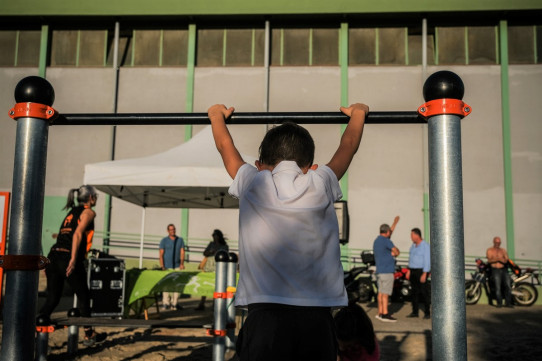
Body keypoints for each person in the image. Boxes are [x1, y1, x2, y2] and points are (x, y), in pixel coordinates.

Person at [208, 102, 369, 361]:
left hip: (265, 317)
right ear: (311, 166)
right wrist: (358, 114)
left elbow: (225, 148)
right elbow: (348, 146)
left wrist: (217, 116)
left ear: (259, 164)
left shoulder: (253, 181)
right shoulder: (320, 180)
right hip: (317, 318)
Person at [38, 185, 106, 346]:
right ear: (90, 198)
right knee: (84, 297)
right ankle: (89, 334)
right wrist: (74, 259)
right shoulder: (89, 212)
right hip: (68, 257)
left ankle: (39, 323)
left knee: (53, 298)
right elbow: (77, 234)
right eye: (95, 196)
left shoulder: (72, 211)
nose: (96, 199)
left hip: (53, 256)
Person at [372, 217, 400, 322]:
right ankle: (385, 314)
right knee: (385, 294)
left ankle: (379, 312)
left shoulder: (377, 241)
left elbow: (389, 232)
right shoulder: (387, 241)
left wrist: (394, 223)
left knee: (380, 293)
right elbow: (396, 252)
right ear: (387, 232)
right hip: (387, 271)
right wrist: (394, 252)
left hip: (379, 271)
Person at [195, 229, 229, 310]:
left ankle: (215, 305)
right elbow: (204, 253)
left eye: (215, 236)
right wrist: (210, 251)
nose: (214, 237)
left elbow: (226, 255)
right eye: (213, 236)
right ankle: (202, 303)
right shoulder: (211, 244)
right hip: (208, 267)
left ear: (218, 236)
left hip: (218, 268)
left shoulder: (224, 246)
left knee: (216, 286)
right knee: (205, 285)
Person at [159, 224, 185, 310]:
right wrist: (162, 266)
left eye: (173, 229)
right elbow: (161, 254)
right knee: (166, 285)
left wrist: (182, 263)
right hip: (167, 266)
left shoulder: (180, 240)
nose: (172, 231)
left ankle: (175, 303)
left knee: (177, 285)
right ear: (168, 231)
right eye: (170, 230)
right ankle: (166, 303)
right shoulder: (164, 241)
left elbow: (182, 252)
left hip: (177, 266)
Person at [406, 228, 431, 319]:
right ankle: (415, 312)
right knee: (414, 292)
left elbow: (427, 260)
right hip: (413, 271)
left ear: (417, 235)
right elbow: (411, 258)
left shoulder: (425, 246)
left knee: (424, 292)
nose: (411, 237)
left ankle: (427, 312)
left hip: (421, 271)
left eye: (412, 235)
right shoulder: (413, 246)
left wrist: (425, 273)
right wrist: (409, 270)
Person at [486, 236, 512, 307]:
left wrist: (497, 259)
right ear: (493, 242)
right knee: (497, 286)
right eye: (496, 242)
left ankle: (508, 303)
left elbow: (506, 260)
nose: (497, 243)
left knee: (508, 286)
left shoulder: (503, 250)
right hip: (495, 270)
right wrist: (498, 259)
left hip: (503, 269)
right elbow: (489, 260)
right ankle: (499, 303)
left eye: (499, 242)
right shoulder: (490, 250)